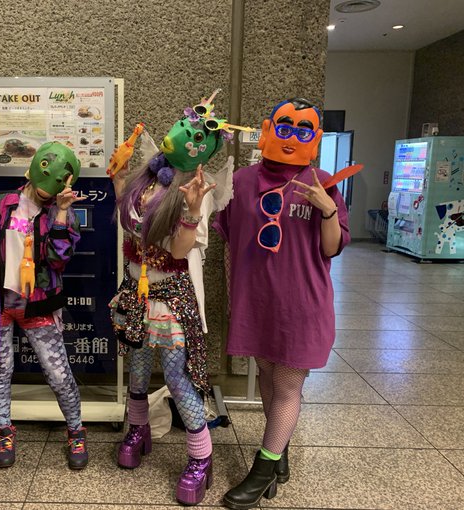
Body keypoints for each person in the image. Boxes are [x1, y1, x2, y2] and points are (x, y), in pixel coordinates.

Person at [214, 98, 350, 509]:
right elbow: (229, 238)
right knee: (268, 377)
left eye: (303, 130)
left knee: (289, 385)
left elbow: (332, 248)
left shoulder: (323, 182)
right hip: (258, 301)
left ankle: (262, 470)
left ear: (316, 138)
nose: (292, 137)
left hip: (302, 304)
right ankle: (280, 451)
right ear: (267, 129)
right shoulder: (241, 181)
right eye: (285, 127)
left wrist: (328, 210)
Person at [110, 92, 240, 506]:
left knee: (177, 377)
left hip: (170, 297)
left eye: (196, 135)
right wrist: (119, 177)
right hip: (136, 291)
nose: (183, 133)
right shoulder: (148, 174)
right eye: (184, 125)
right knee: (137, 370)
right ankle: (138, 429)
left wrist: (192, 209)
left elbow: (181, 251)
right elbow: (128, 220)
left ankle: (201, 458)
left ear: (204, 150)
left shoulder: (194, 187)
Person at [0, 142, 89, 470]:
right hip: (1, 302)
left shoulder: (63, 213)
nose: (48, 190)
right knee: (0, 370)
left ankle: (76, 431)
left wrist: (61, 213)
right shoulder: (1, 203)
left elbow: (58, 260)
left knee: (58, 373)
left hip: (40, 304)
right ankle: (4, 430)